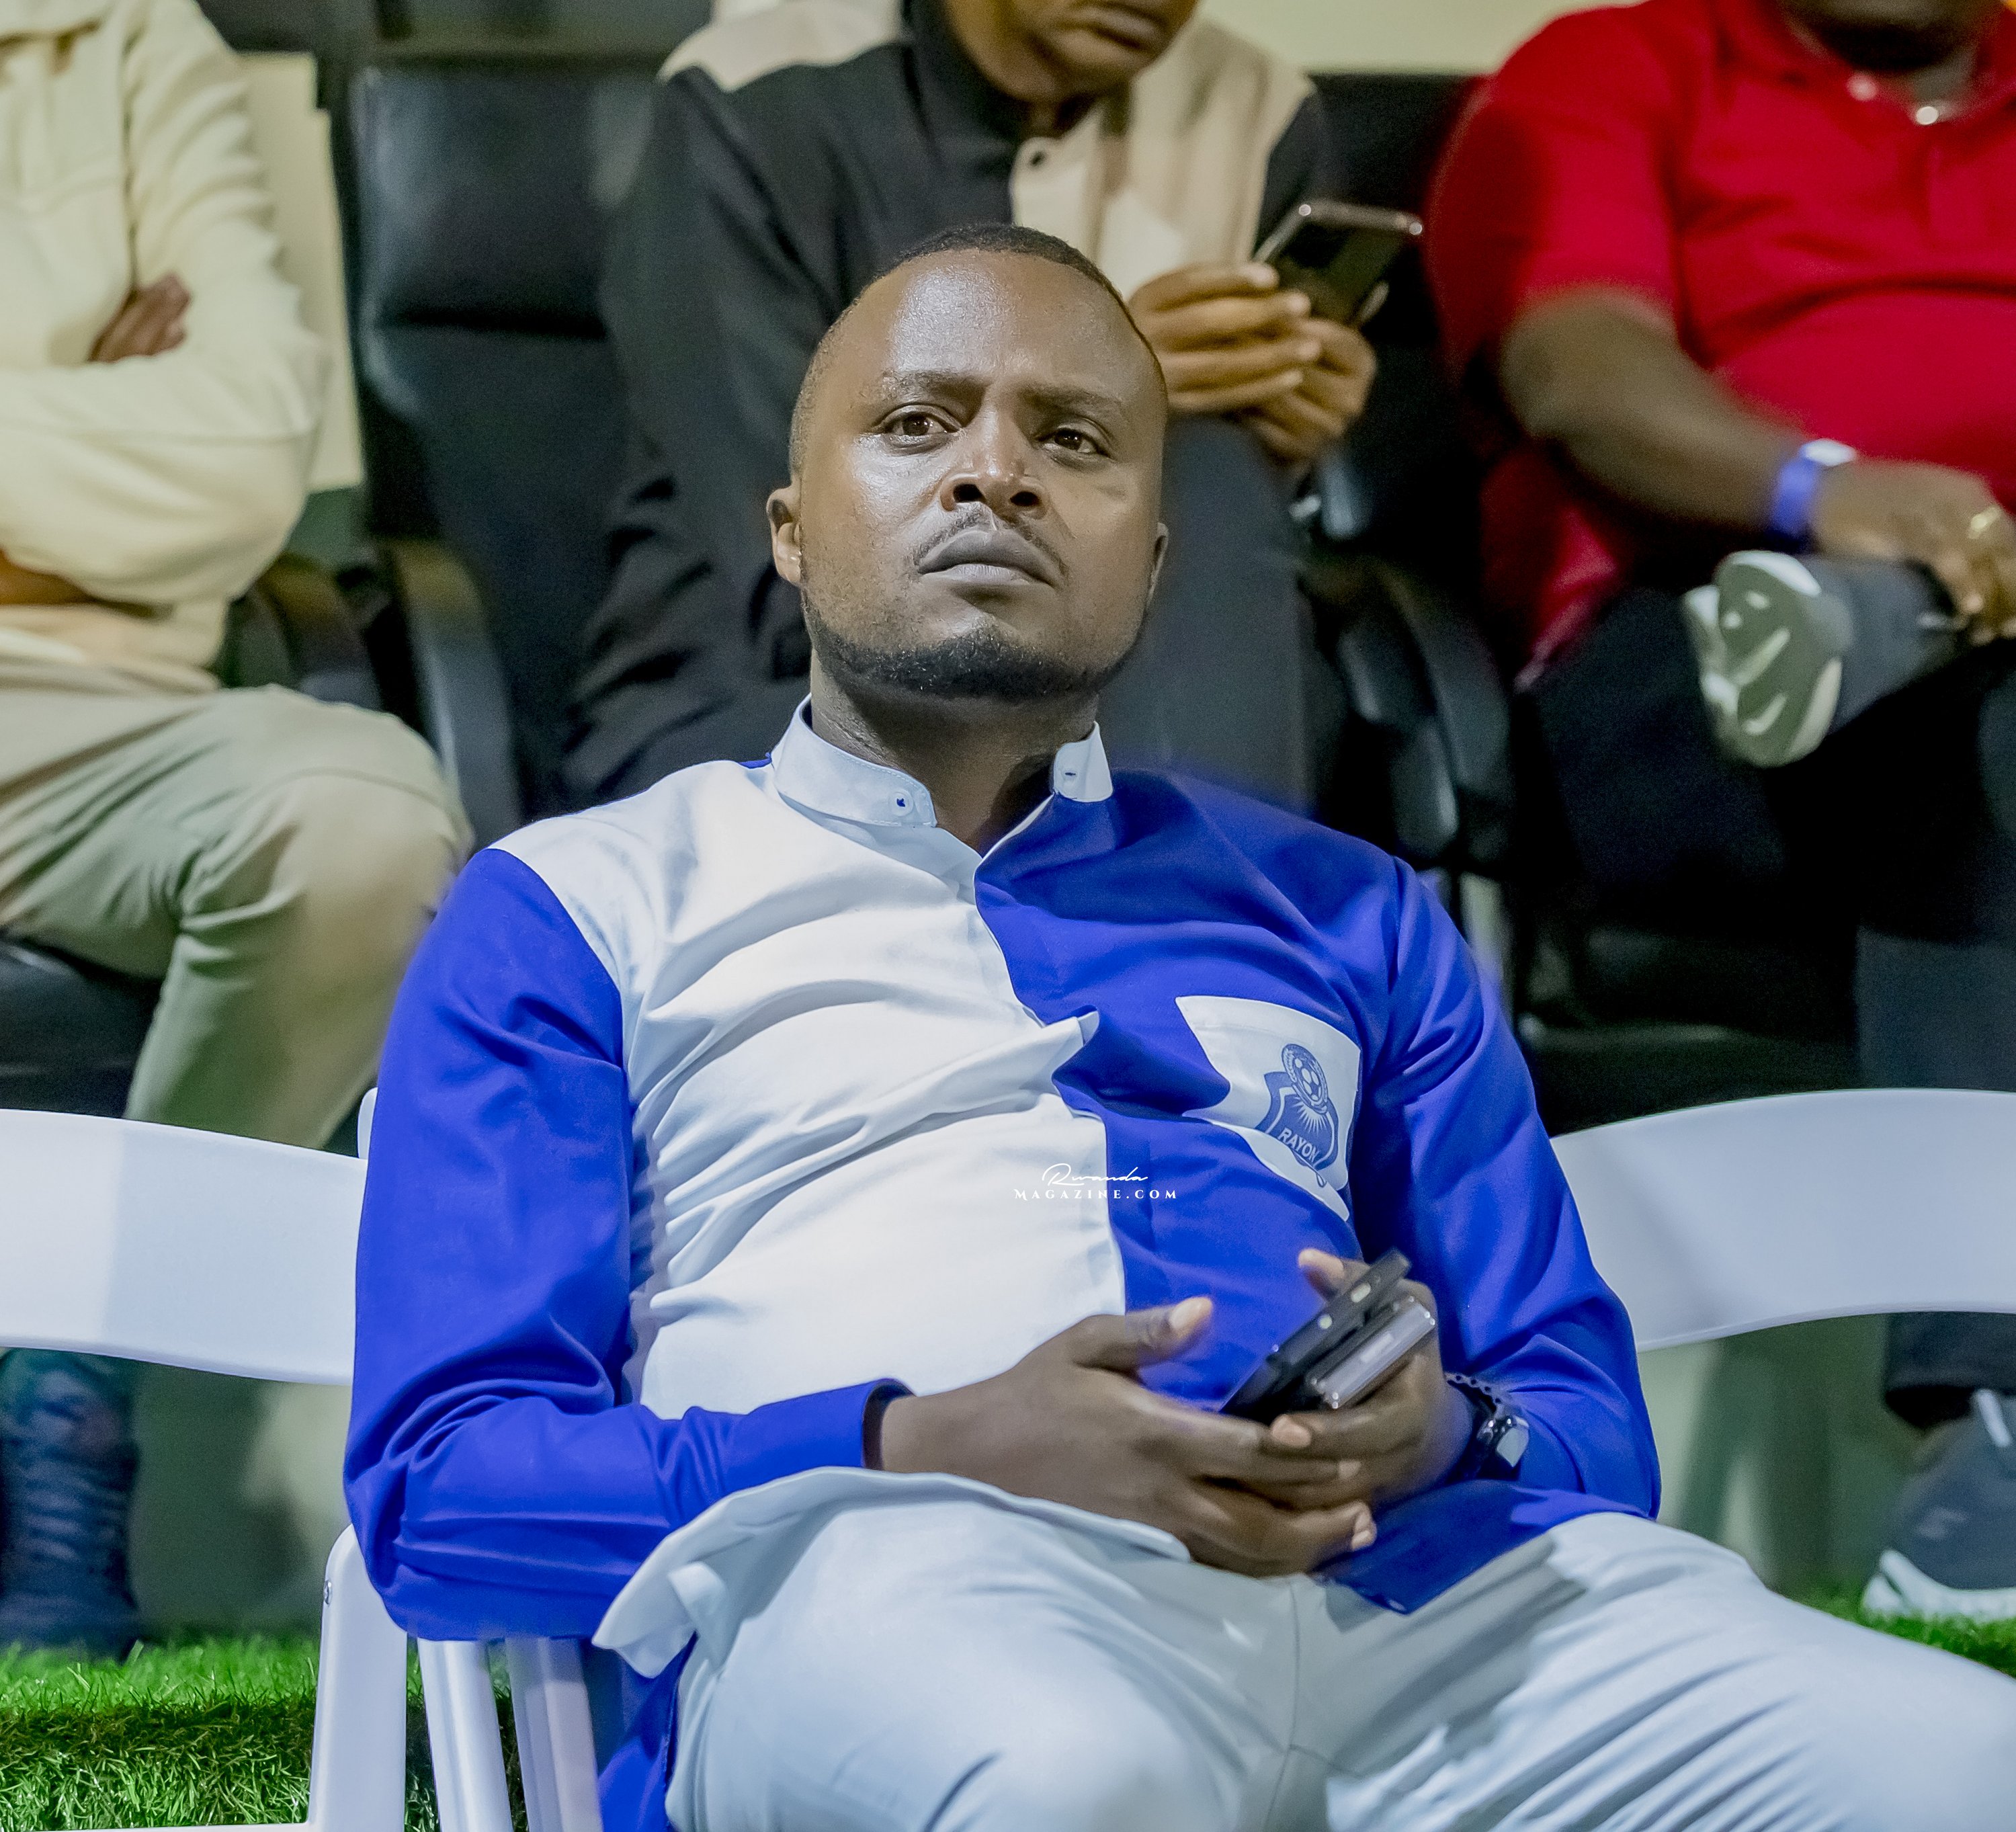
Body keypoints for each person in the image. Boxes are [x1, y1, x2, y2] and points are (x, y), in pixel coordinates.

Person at [349, 225, 2016, 1832]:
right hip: (901, 1580)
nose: (994, 473)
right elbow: (441, 1491)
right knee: (1080, 1781)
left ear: (1147, 559)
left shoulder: (1350, 913)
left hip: (1421, 1602)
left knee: (1965, 1765)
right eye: (918, 424)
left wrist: (1431, 1429)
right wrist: (921, 1441)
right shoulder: (583, 905)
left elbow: (1578, 1423)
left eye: (1071, 439)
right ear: (791, 529)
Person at [1425, 0, 2016, 1620]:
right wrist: (1819, 488)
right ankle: (1993, 1417)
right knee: (1970, 728)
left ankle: (1892, 627)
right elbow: (1576, 366)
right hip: (1687, 666)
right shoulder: (1619, 70)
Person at [0, 0, 468, 1655]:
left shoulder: (132, 47)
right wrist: (81, 431)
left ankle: (80, 1383)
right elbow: (167, 468)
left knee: (360, 820)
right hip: (90, 610)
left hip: (90, 703)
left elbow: (246, 454)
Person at [565, 0, 1376, 814]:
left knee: (1218, 485)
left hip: (1140, 679)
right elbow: (786, 543)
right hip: (765, 690)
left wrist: (1283, 443)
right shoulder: (752, 99)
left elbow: (1230, 561)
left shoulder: (1259, 115)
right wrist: (1099, 393)